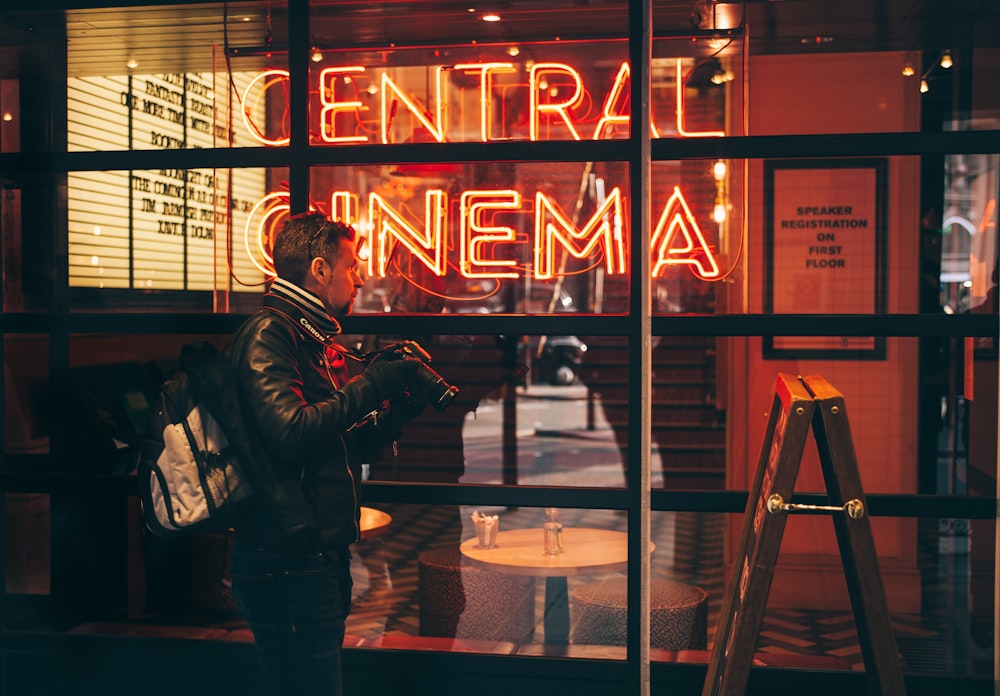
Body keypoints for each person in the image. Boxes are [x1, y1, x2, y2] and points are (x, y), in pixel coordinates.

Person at [226, 212, 431, 696]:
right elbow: (291, 433)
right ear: (320, 270)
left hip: (311, 555)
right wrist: (373, 382)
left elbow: (330, 443)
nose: (360, 277)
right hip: (286, 560)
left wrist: (396, 413)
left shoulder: (307, 337)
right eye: (352, 265)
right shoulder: (270, 334)